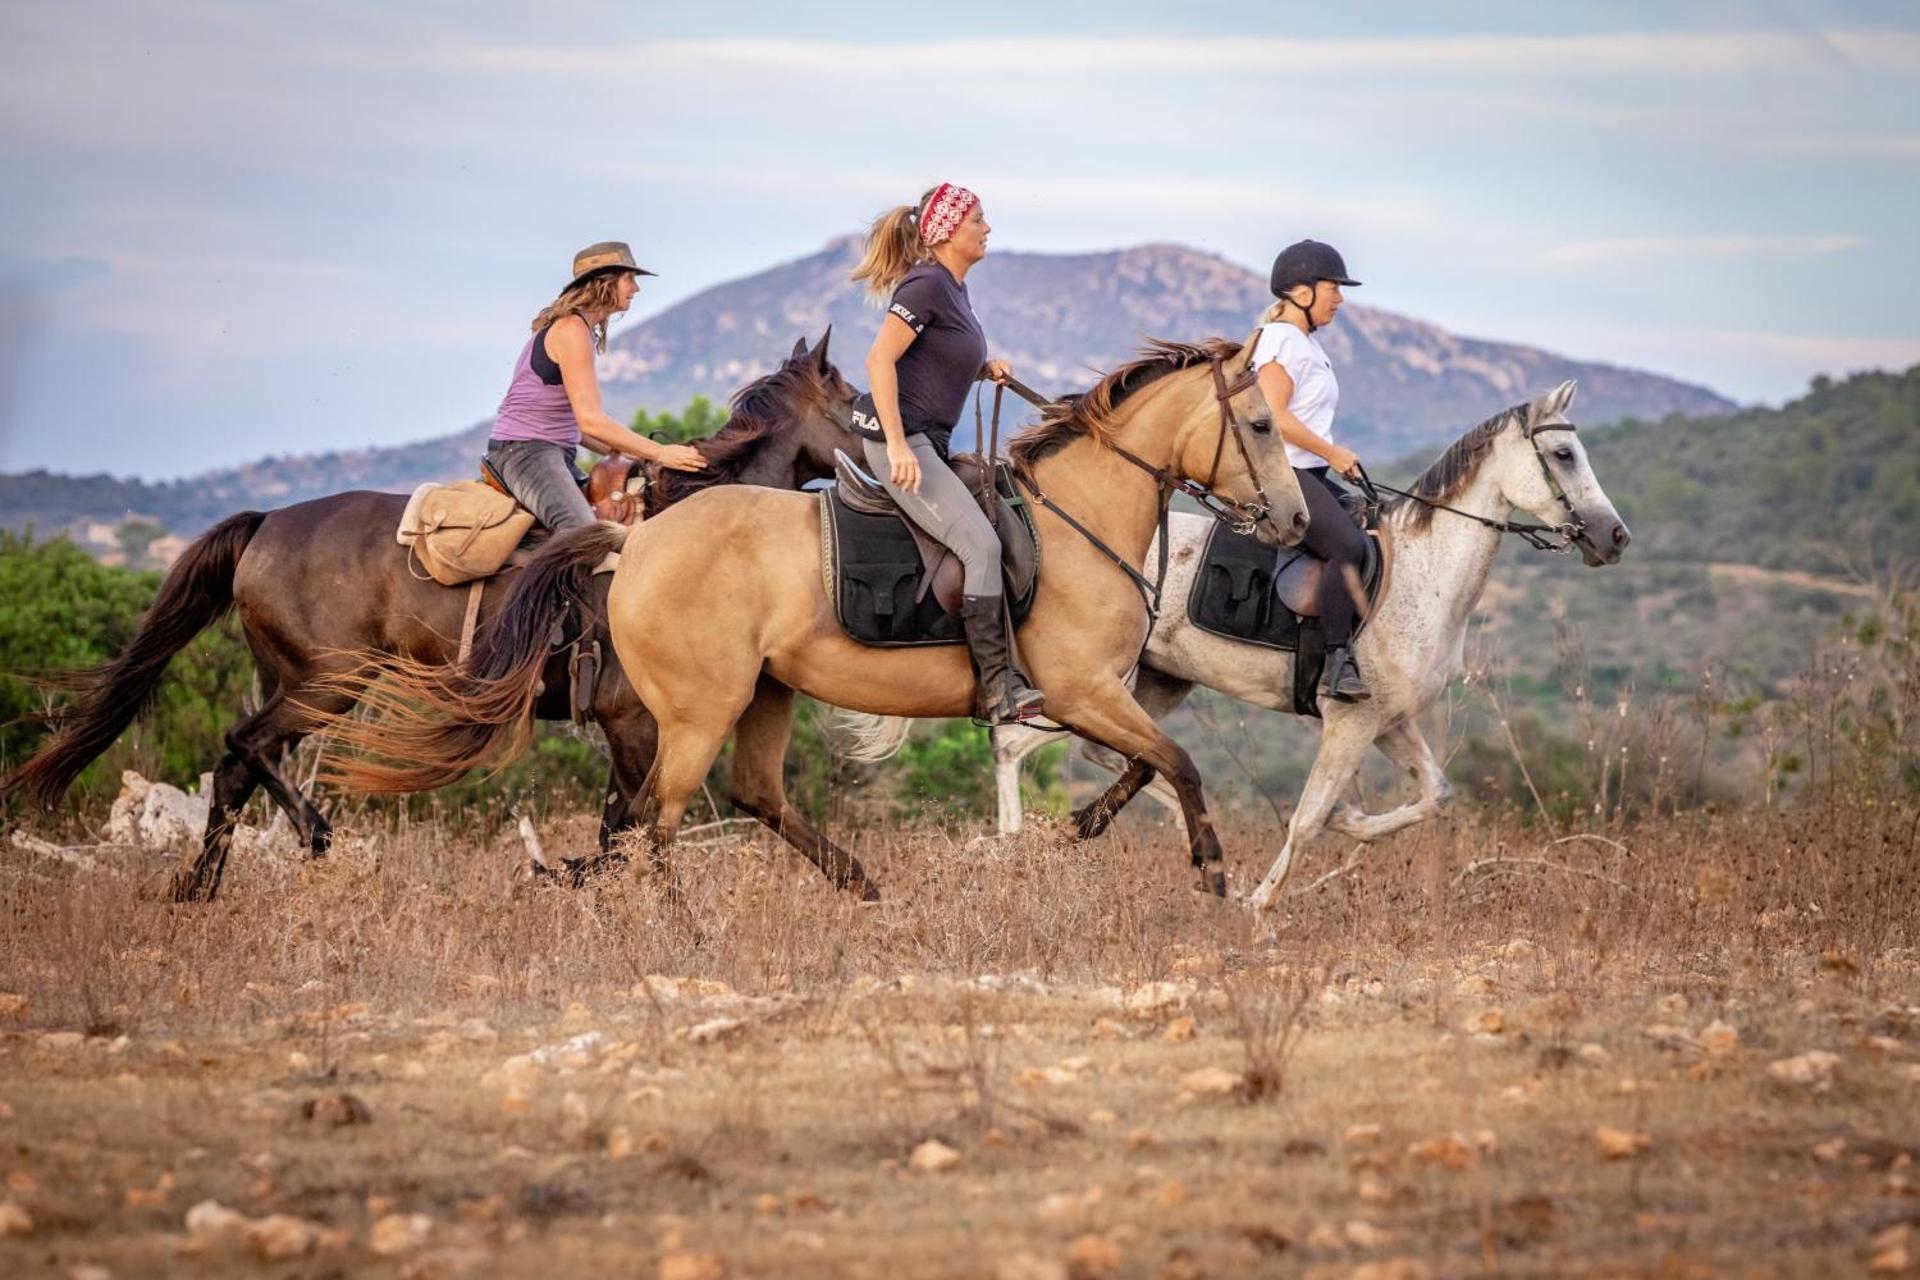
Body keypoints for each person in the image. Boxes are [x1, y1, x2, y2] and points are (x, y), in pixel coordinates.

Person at [849, 184, 1043, 724]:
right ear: (949, 230)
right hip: (903, 442)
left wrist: (983, 366)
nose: (987, 229)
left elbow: (936, 355)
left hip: (928, 440)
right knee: (981, 546)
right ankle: (998, 688)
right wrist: (894, 444)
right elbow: (878, 362)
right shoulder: (927, 283)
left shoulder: (953, 288)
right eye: (979, 220)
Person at [488, 241, 706, 531]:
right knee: (583, 533)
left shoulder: (578, 329)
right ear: (605, 283)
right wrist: (660, 453)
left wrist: (627, 452)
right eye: (629, 279)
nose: (636, 289)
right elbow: (590, 421)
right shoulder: (572, 331)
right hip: (527, 453)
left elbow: (569, 424)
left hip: (548, 451)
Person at [1249, 239, 1372, 702]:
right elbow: (1275, 416)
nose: (1339, 298)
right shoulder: (1282, 340)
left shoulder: (1305, 343)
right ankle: (1338, 664)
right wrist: (1331, 451)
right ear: (1302, 292)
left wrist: (1332, 461)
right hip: (1284, 475)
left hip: (1311, 472)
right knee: (1346, 545)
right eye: (1332, 288)